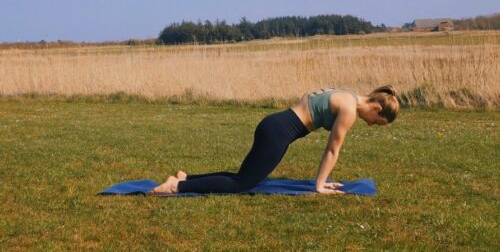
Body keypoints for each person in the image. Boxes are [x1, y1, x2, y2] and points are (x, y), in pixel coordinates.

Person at [149, 85, 400, 195]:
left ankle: (185, 178)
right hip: (279, 132)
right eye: (377, 122)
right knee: (242, 184)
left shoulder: (347, 94)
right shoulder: (348, 108)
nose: (372, 125)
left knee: (243, 176)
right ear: (377, 108)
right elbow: (332, 150)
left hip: (276, 125)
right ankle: (176, 188)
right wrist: (319, 185)